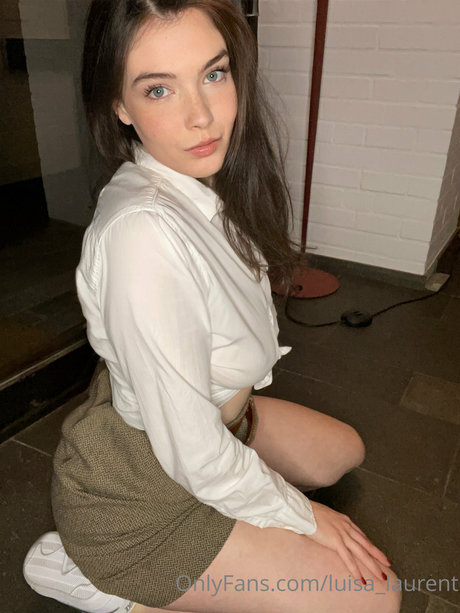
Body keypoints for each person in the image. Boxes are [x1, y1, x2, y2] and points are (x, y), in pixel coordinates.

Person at [23, 1, 401, 612]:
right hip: (137, 499)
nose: (201, 116)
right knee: (374, 597)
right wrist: (303, 516)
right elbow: (192, 452)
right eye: (158, 89)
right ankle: (99, 576)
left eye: (214, 74)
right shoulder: (142, 235)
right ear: (119, 105)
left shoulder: (199, 183)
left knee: (343, 453)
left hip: (212, 421)